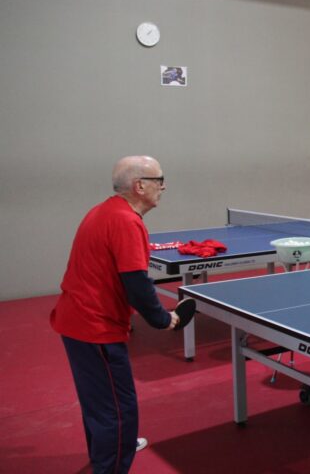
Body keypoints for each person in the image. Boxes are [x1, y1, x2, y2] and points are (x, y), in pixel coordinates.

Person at [50, 155, 181, 473]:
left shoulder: (103, 211)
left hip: (75, 320)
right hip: (95, 327)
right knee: (119, 411)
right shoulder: (127, 221)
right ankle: (111, 464)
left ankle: (105, 454)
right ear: (140, 186)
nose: (163, 186)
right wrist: (163, 319)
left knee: (98, 403)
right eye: (159, 179)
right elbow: (136, 282)